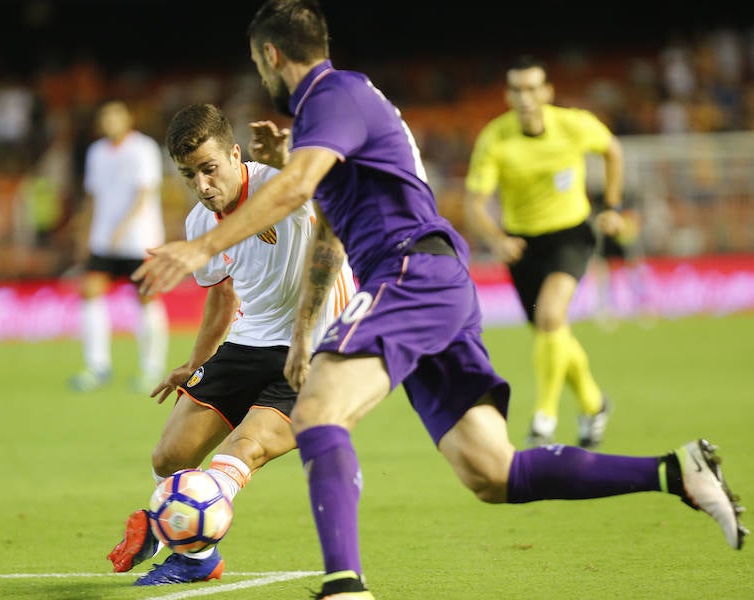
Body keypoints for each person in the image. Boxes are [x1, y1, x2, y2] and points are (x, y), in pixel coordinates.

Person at [133, 2, 747, 598]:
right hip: (434, 281)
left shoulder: (333, 95)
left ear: (270, 54)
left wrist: (201, 246)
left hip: (409, 271)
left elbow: (295, 190)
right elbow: (323, 229)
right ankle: (677, 471)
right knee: (492, 472)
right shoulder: (332, 116)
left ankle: (344, 587)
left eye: (257, 62)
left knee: (318, 409)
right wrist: (300, 328)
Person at [109, 103, 356, 586]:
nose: (202, 185)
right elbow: (223, 297)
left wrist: (287, 159)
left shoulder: (280, 185)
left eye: (209, 169)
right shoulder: (202, 224)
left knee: (242, 449)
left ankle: (168, 532)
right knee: (169, 455)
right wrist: (195, 363)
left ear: (236, 154)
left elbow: (327, 194)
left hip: (317, 344)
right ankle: (199, 557)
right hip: (249, 342)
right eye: (188, 175)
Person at [463, 55, 623, 448]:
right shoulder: (495, 138)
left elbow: (612, 151)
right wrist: (496, 238)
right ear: (507, 95)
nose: (525, 97)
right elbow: (474, 202)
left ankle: (544, 416)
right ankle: (593, 404)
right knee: (552, 332)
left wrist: (613, 207)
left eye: (533, 88)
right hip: (522, 246)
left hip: (571, 234)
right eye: (517, 89)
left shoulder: (573, 124)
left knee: (551, 316)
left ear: (547, 91)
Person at [69, 99, 169, 392]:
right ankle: (97, 366)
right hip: (103, 239)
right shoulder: (97, 152)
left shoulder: (143, 148)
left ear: (128, 118)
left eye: (115, 116)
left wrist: (123, 228)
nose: (110, 122)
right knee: (90, 292)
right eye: (105, 117)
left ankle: (152, 368)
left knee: (147, 298)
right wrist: (86, 232)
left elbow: (145, 192)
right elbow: (93, 196)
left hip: (140, 240)